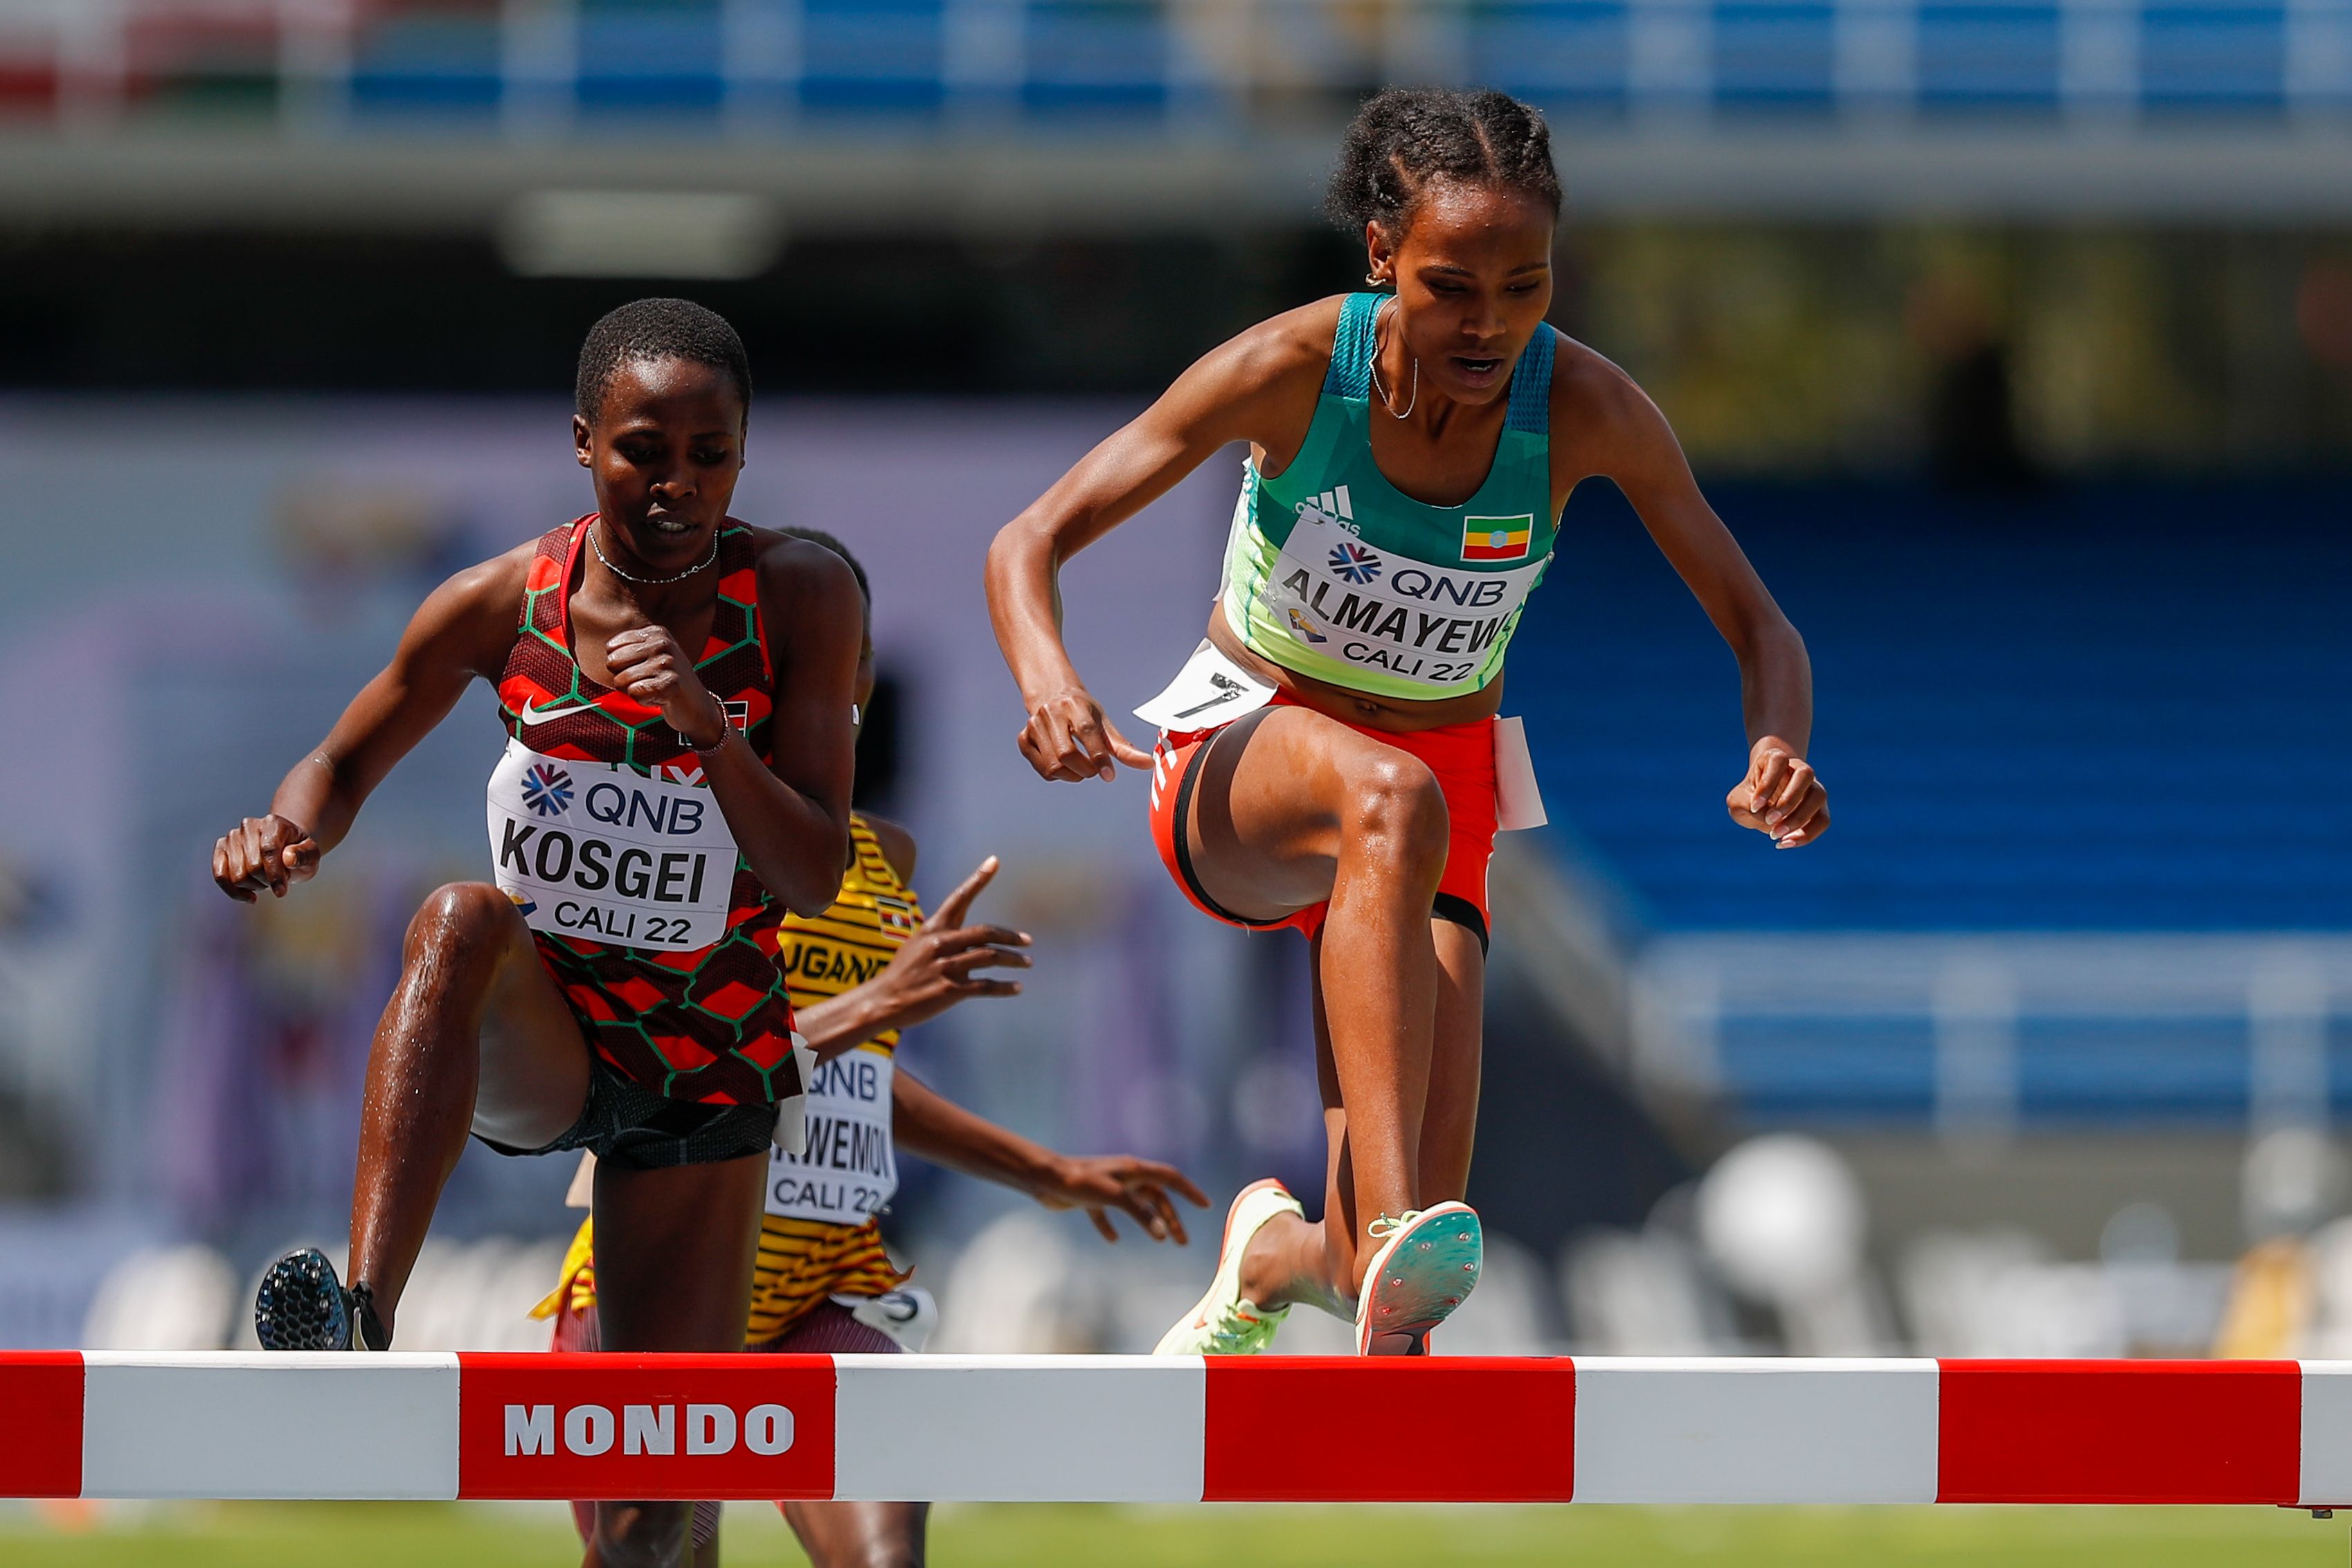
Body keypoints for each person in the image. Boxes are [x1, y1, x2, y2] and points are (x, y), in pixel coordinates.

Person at [986, 88, 1831, 1358]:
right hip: (1244, 756)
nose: (1488, 322)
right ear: (1381, 256)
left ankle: (1290, 1248)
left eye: (1523, 284)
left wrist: (1778, 743)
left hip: (1438, 807)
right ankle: (1388, 1225)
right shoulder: (1287, 368)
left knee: (1393, 1256)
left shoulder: (1586, 409)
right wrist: (1048, 677)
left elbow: (1764, 628)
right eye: (1449, 286)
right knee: (1392, 805)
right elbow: (1028, 539)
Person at [211, 298, 864, 1567]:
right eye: (641, 450)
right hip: (551, 1027)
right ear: (582, 441)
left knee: (651, 1516)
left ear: (742, 453)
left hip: (707, 1065)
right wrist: (285, 833)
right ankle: (364, 1316)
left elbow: (816, 872)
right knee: (458, 918)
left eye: (709, 455)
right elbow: (336, 766)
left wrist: (711, 731)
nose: (676, 484)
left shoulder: (797, 593)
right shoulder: (501, 600)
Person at [539, 528, 1208, 1568]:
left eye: (834, 638)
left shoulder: (882, 853)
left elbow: (850, 1086)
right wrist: (878, 1000)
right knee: (650, 1554)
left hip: (820, 1291)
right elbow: (672, 1070)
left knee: (885, 1556)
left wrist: (1047, 1170)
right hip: (659, 1289)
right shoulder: (672, 826)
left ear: (858, 668)